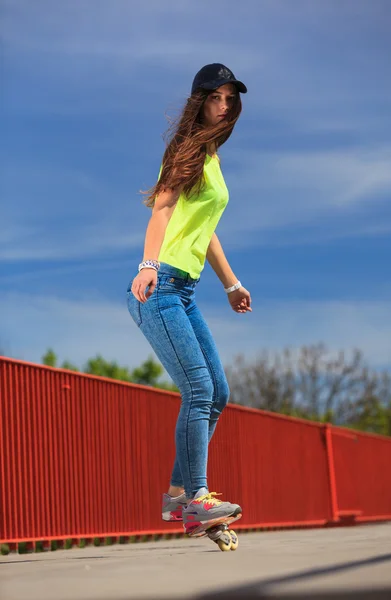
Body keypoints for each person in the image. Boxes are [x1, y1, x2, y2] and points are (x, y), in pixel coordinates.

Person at [127, 63, 252, 536]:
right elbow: (162, 207)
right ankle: (196, 498)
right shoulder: (187, 147)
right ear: (198, 101)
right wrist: (148, 264)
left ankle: (178, 497)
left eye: (229, 99)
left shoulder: (212, 157)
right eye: (215, 98)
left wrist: (232, 284)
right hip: (160, 288)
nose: (223, 106)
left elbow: (208, 231)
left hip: (187, 290)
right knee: (199, 390)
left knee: (217, 391)